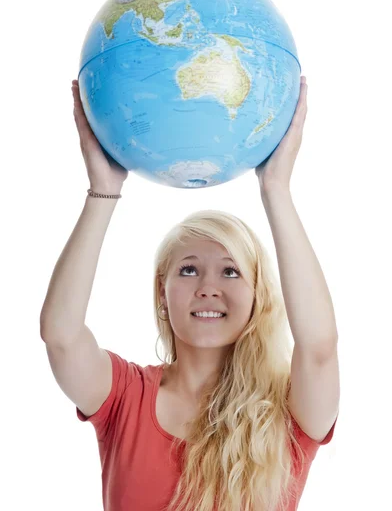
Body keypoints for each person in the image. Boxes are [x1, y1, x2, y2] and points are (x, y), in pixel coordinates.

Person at [40, 78, 339, 511]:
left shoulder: (287, 412)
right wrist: (104, 191)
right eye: (188, 269)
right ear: (162, 293)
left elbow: (319, 348)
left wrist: (276, 189)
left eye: (231, 271)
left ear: (258, 296)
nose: (208, 287)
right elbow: (61, 335)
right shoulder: (126, 396)